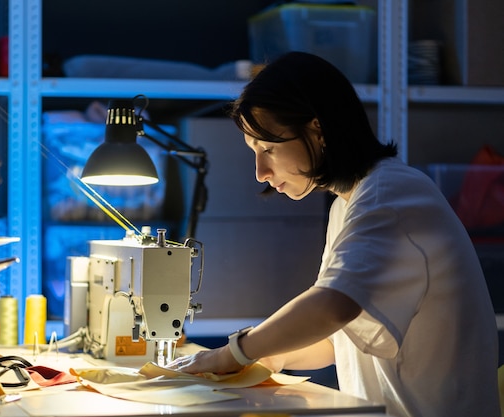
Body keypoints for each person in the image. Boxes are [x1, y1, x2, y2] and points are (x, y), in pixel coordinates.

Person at [167, 52, 500, 417]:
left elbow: (331, 306)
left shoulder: (389, 195)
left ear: (317, 130)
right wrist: (262, 357)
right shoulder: (352, 200)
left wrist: (234, 350)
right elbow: (337, 339)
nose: (260, 171)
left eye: (269, 149)